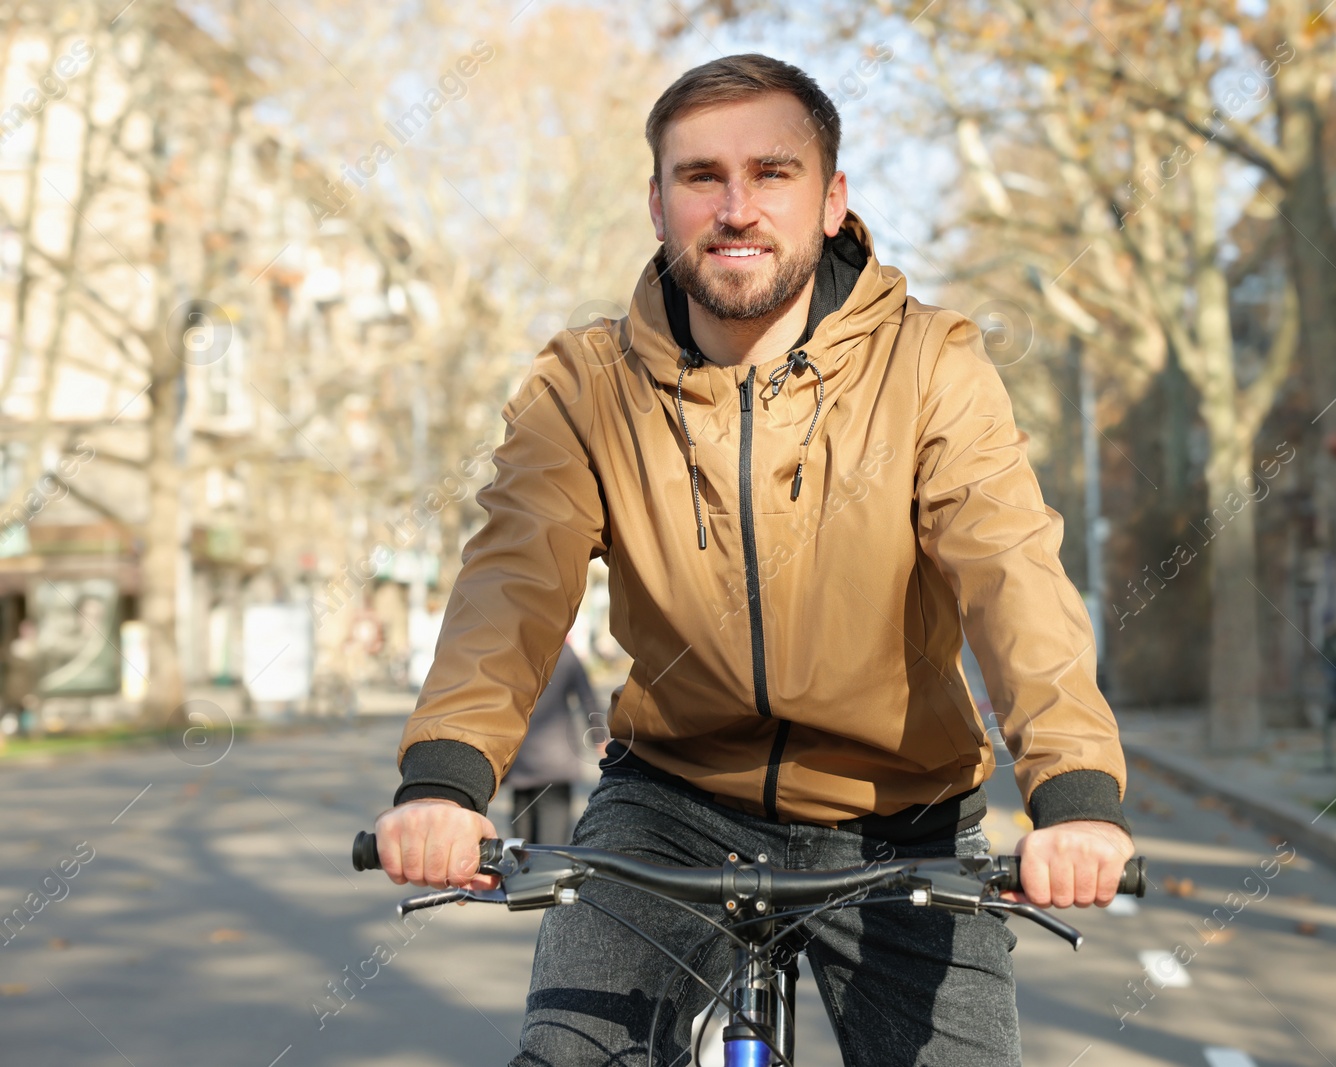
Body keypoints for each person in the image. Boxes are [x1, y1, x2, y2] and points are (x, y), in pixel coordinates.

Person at [376, 54, 1134, 1067]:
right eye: (701, 177)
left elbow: (1012, 576)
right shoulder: (583, 385)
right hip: (670, 800)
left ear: (831, 201)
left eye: (772, 173)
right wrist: (442, 782)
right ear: (657, 204)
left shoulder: (932, 364)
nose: (735, 208)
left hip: (897, 815)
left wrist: (1074, 796)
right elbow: (510, 586)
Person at [504, 639, 600, 846]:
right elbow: (587, 698)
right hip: (556, 763)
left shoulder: (513, 652)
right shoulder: (565, 653)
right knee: (551, 845)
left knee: (520, 846)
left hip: (521, 760)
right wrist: (600, 738)